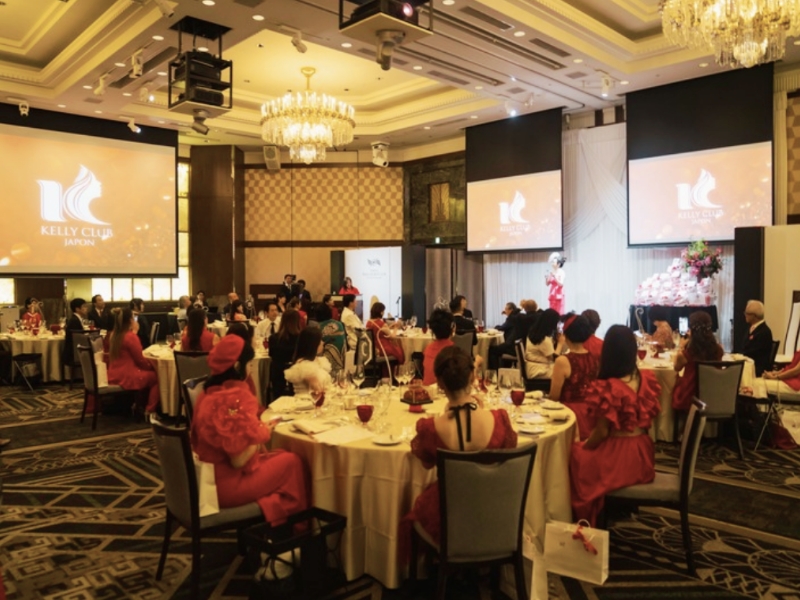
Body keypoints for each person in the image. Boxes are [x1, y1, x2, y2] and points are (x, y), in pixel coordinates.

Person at [401, 346, 517, 555]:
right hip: (495, 510)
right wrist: (480, 410)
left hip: (449, 516)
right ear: (472, 377)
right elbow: (509, 453)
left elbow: (426, 463)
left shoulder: (430, 428)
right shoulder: (499, 419)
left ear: (439, 383)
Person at [191, 335, 308, 525]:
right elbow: (238, 460)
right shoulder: (232, 399)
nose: (251, 368)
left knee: (281, 456)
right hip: (226, 486)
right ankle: (293, 529)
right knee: (292, 462)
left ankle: (279, 525)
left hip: (208, 479)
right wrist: (262, 433)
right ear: (238, 366)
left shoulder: (207, 393)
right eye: (249, 364)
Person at [569, 325, 661, 525]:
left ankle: (586, 517)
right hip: (642, 455)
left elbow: (601, 432)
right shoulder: (646, 379)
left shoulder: (609, 386)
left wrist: (585, 446)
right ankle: (613, 507)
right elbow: (649, 423)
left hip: (620, 456)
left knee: (575, 455)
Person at [549, 314, 599, 439]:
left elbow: (554, 397)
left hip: (570, 415)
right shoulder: (594, 358)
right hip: (592, 413)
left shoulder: (562, 361)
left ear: (566, 336)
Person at [107, 308, 160, 415]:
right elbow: (140, 360)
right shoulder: (130, 337)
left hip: (113, 373)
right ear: (130, 320)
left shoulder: (113, 335)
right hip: (127, 376)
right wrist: (152, 366)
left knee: (148, 374)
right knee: (155, 377)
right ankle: (150, 410)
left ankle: (139, 404)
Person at [672, 311, 724, 411]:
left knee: (673, 385)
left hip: (691, 397)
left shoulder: (688, 353)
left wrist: (681, 346)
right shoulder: (718, 350)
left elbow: (676, 367)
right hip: (713, 395)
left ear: (692, 330)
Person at [284, 327, 332, 395]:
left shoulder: (317, 361)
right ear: (313, 344)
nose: (322, 342)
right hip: (307, 400)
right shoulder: (304, 366)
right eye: (320, 341)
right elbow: (318, 390)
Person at [269, 309, 302, 398]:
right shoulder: (301, 338)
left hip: (278, 372)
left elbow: (271, 354)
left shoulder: (273, 338)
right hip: (297, 372)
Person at [525, 308, 563, 379]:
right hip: (540, 371)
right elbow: (555, 359)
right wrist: (560, 343)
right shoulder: (544, 339)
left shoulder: (533, 333)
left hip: (532, 368)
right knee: (565, 374)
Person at [366, 302, 406, 369]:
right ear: (381, 312)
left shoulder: (369, 322)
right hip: (383, 348)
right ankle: (397, 371)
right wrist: (396, 327)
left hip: (375, 348)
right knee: (400, 351)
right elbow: (392, 337)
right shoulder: (381, 323)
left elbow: (379, 331)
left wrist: (389, 326)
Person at [422, 308, 455, 386]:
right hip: (445, 391)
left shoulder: (428, 349)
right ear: (452, 329)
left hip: (427, 390)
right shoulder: (453, 351)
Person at [742, 300, 773, 376]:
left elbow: (753, 352)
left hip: (758, 369)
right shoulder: (751, 328)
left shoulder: (764, 332)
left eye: (747, 313)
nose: (745, 315)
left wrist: (738, 356)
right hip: (748, 365)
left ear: (755, 316)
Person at [62, 297, 88, 368]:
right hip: (73, 353)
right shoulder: (74, 321)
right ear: (77, 309)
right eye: (84, 307)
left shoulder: (76, 319)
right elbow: (78, 339)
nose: (86, 308)